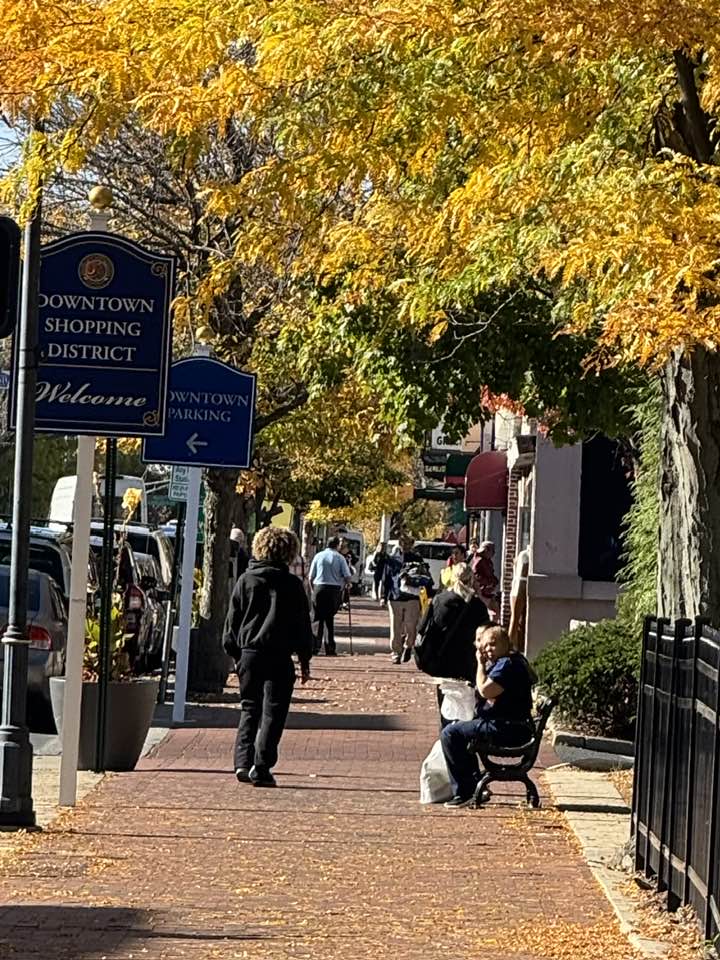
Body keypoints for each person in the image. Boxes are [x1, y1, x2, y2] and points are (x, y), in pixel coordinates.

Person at [223, 526, 313, 788]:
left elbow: (232, 622)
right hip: (279, 654)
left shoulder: (246, 580)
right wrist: (304, 659)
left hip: (249, 654)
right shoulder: (292, 585)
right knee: (274, 712)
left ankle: (242, 760)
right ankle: (261, 766)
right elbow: (302, 625)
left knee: (250, 707)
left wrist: (235, 653)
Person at [440, 624, 534, 807]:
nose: (489, 649)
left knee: (450, 734)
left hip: (508, 729)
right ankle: (474, 784)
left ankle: (464, 791)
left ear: (505, 643)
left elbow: (485, 690)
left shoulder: (507, 664)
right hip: (509, 724)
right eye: (485, 646)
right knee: (460, 728)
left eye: (493, 644)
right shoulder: (509, 661)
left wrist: (481, 664)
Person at [417, 563, 490, 727]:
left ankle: (446, 733)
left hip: (442, 661)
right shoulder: (477, 606)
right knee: (466, 706)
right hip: (467, 665)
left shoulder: (439, 600)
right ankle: (460, 733)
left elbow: (423, 628)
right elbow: (486, 634)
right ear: (472, 580)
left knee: (445, 704)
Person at [384, 538, 426, 664]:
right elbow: (387, 577)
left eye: (409, 543)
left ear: (412, 544)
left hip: (412, 596)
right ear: (400, 544)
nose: (406, 546)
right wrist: (383, 596)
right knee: (396, 626)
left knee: (411, 626)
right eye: (403, 543)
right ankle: (396, 652)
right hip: (395, 596)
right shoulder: (392, 558)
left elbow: (423, 576)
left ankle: (408, 645)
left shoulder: (417, 558)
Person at [308, 536, 352, 656]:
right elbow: (347, 575)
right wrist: (347, 584)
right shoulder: (340, 557)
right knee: (329, 618)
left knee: (316, 618)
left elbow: (311, 576)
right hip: (333, 590)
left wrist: (312, 590)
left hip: (319, 587)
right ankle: (330, 647)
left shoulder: (318, 556)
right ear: (337, 545)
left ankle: (314, 646)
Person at [472, 540, 500, 617]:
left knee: (496, 611)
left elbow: (490, 574)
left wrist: (494, 581)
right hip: (481, 593)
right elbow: (476, 576)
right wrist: (489, 582)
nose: (494, 553)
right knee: (490, 614)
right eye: (492, 551)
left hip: (488, 592)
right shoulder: (479, 561)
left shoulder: (488, 561)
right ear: (486, 550)